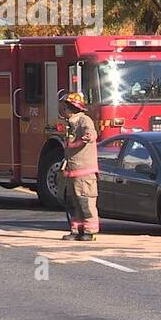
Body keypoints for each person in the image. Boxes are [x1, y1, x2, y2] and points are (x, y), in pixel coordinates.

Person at [58, 92, 99, 241]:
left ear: (71, 108)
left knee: (85, 202)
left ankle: (90, 231)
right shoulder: (71, 124)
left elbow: (91, 135)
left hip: (84, 173)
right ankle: (76, 230)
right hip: (72, 172)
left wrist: (78, 141)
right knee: (73, 203)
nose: (63, 111)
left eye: (65, 108)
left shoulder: (84, 120)